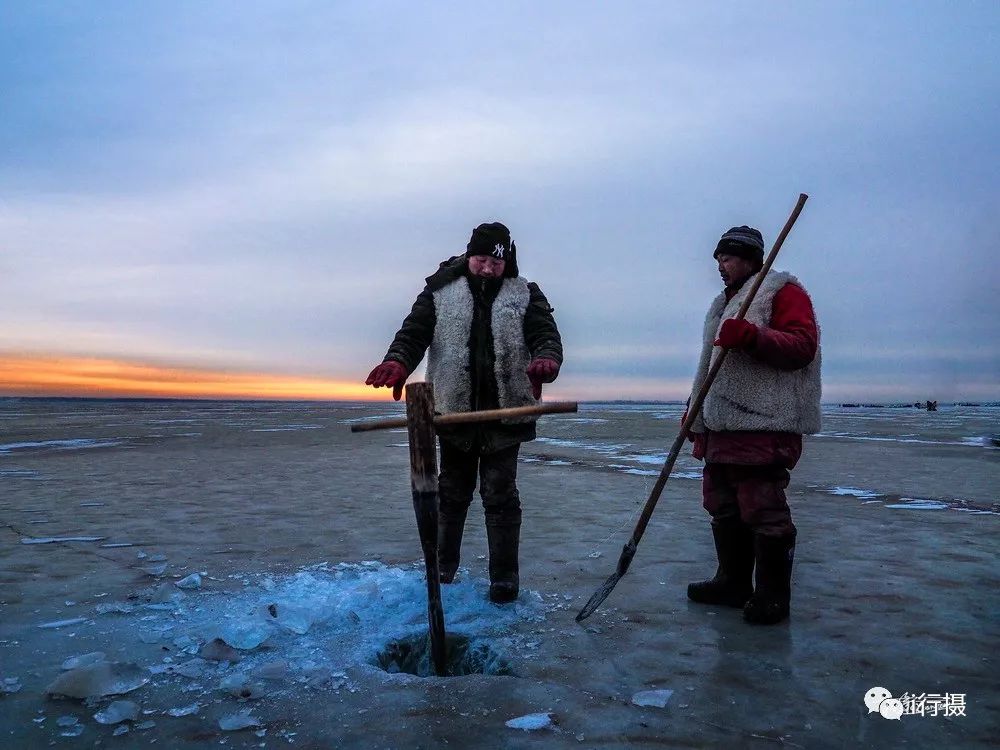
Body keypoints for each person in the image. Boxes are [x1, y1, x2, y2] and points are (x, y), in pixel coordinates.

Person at [365, 222, 563, 603]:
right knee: (452, 493)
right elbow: (414, 333)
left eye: (496, 262)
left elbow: (546, 334)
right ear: (470, 255)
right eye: (482, 259)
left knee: (500, 494)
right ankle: (442, 566)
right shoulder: (440, 290)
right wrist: (398, 361)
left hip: (506, 414)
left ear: (508, 261)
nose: (488, 268)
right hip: (454, 412)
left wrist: (546, 358)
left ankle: (504, 579)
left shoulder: (525, 293)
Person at [685, 225, 821, 625]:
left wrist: (752, 337)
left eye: (727, 259)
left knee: (763, 507)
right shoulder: (723, 303)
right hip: (722, 421)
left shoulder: (782, 293)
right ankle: (732, 582)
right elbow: (708, 367)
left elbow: (802, 346)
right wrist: (694, 409)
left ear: (748, 258)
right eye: (718, 260)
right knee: (722, 504)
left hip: (764, 421)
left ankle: (773, 596)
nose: (720, 267)